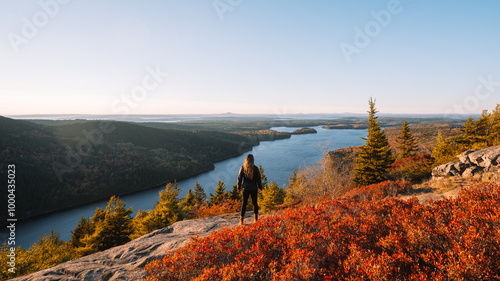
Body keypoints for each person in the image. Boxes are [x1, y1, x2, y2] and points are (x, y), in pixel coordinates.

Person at [237, 154, 263, 225]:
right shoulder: (256, 168)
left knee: (244, 204)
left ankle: (241, 220)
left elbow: (239, 178)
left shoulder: (243, 168)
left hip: (245, 188)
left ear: (246, 160)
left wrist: (238, 187)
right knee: (255, 204)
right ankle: (255, 219)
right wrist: (260, 188)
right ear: (253, 160)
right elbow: (258, 180)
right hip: (254, 188)